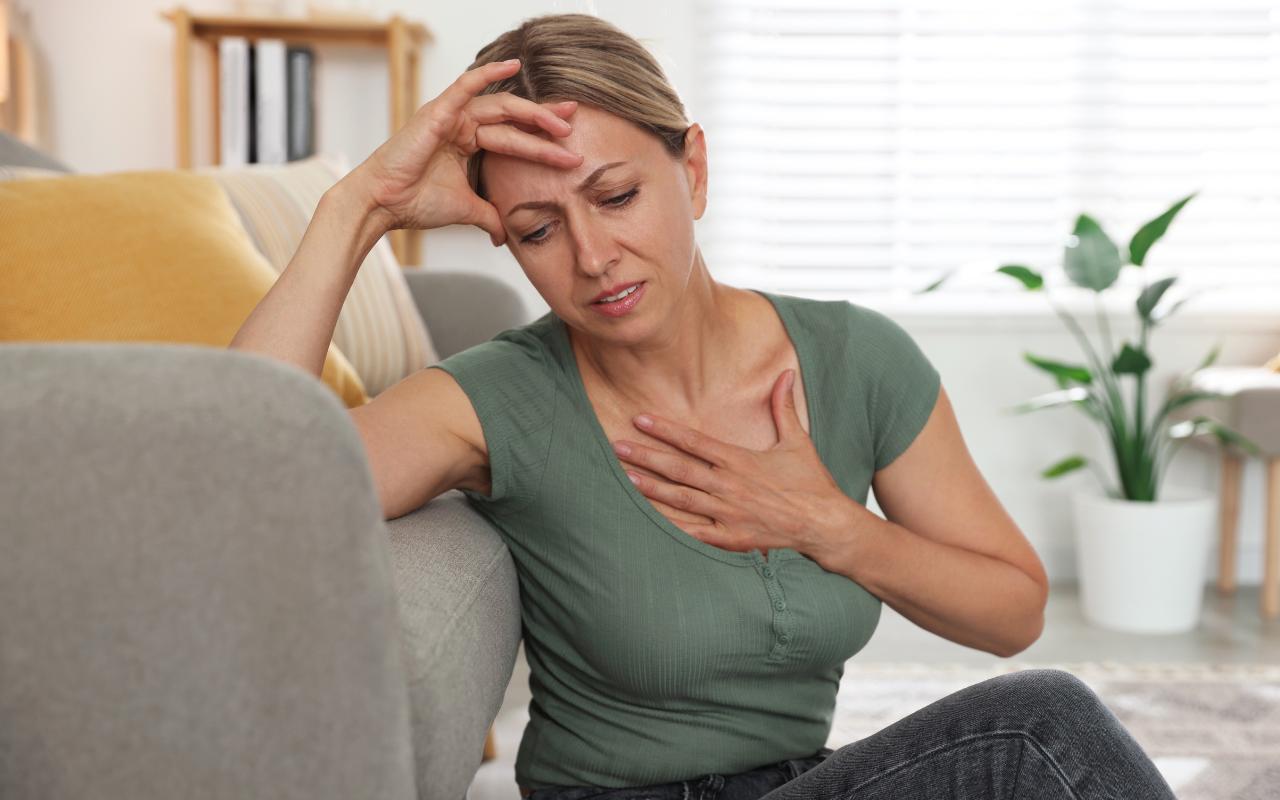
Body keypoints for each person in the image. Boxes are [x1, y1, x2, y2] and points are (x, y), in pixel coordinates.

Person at [230, 13, 1178, 800]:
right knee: (1036, 731)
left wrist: (829, 526)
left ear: (694, 170)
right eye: (538, 229)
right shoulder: (496, 399)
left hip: (805, 783)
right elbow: (242, 480)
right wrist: (362, 206)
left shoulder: (856, 360)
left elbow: (1012, 609)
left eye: (616, 194)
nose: (593, 256)